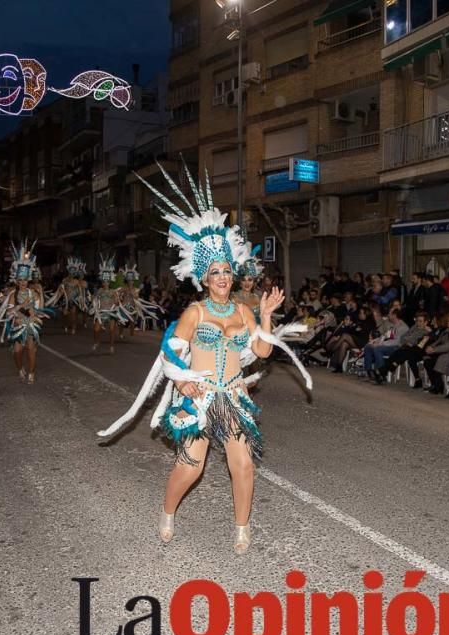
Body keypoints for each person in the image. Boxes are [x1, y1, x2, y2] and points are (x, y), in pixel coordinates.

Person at [98, 164, 312, 554]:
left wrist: (265, 316)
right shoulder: (195, 312)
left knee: (243, 465)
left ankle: (242, 527)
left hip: (231, 396)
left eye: (227, 271)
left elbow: (261, 353)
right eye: (215, 272)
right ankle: (167, 511)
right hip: (198, 397)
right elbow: (171, 351)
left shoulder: (242, 313)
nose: (223, 277)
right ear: (204, 276)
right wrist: (181, 380)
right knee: (190, 468)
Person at [0, 241, 48, 384]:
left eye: (25, 279)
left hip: (31, 325)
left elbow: (40, 310)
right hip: (17, 326)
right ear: (17, 280)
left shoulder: (34, 293)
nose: (23, 282)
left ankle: (31, 373)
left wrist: (36, 310)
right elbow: (9, 313)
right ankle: (20, 368)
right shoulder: (13, 294)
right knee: (17, 351)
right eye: (20, 280)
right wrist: (21, 308)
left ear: (28, 279)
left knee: (31, 349)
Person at [89, 256, 125, 354]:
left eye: (107, 281)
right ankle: (97, 342)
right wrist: (92, 299)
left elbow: (117, 302)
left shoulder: (113, 292)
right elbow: (94, 298)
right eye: (104, 281)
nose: (106, 283)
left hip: (111, 313)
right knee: (96, 329)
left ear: (109, 282)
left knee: (112, 330)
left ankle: (112, 346)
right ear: (102, 281)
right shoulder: (99, 290)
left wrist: (118, 300)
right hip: (100, 313)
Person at [46, 257, 89, 335]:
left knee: (73, 314)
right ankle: (66, 325)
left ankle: (73, 328)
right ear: (68, 272)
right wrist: (58, 295)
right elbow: (61, 289)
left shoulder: (77, 281)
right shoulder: (64, 280)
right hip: (65, 300)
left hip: (73, 300)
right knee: (65, 314)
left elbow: (80, 291)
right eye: (70, 272)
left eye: (73, 273)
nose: (71, 274)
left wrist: (81, 300)